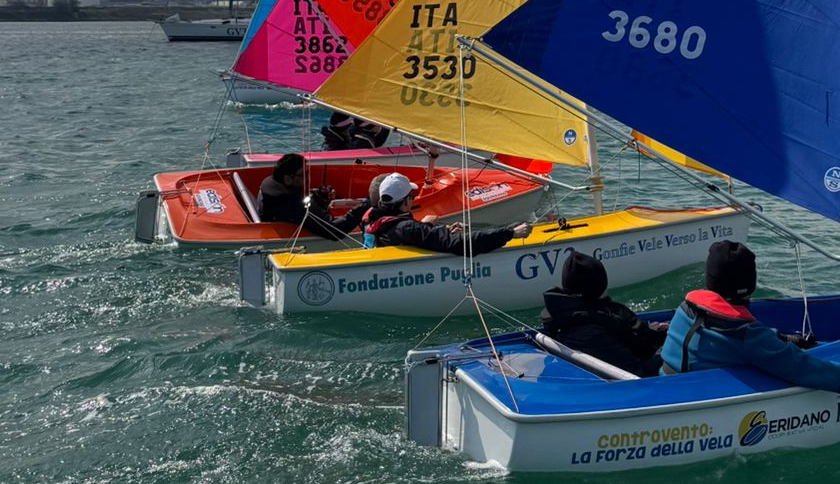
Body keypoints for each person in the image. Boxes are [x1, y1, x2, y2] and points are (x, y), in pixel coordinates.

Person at [659, 240, 840, 406]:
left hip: (665, 384)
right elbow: (810, 370)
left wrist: (784, 339)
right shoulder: (743, 334)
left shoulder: (686, 309)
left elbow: (726, 346)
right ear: (748, 284)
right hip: (696, 407)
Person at [539, 252, 665, 377]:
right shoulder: (591, 333)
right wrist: (670, 350)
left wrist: (654, 332)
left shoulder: (563, 315)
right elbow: (638, 371)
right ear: (599, 284)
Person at [360, 171, 530, 257]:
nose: (413, 200)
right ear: (404, 202)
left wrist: (438, 230)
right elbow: (458, 244)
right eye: (411, 197)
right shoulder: (407, 228)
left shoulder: (373, 220)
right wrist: (510, 233)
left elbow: (409, 235)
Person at [254, 155, 364, 242]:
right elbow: (335, 231)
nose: (308, 177)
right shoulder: (293, 204)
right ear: (288, 179)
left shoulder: (270, 184)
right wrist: (364, 207)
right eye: (304, 174)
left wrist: (318, 197)